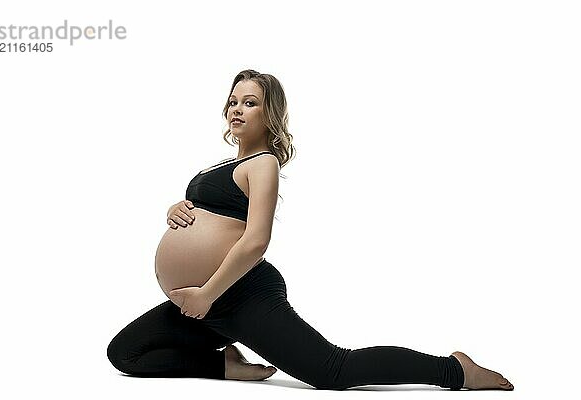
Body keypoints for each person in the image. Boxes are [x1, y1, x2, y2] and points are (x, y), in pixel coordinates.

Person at [107, 69, 514, 391]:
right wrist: (176, 207)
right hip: (202, 304)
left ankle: (455, 371)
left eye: (250, 103)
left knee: (331, 370)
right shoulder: (216, 167)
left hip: (239, 294)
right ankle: (225, 365)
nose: (237, 109)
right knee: (126, 353)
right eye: (233, 101)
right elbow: (207, 211)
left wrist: (206, 294)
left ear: (269, 114)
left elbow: (256, 241)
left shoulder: (263, 162)